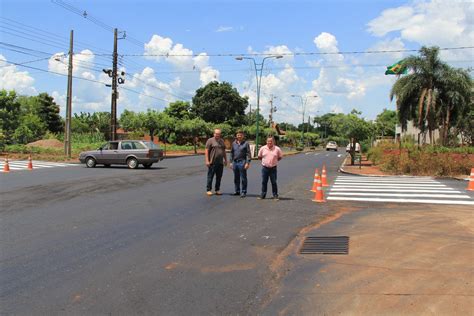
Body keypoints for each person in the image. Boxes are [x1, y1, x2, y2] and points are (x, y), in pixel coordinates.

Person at [205, 128, 228, 196]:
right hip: (212, 162)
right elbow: (206, 151)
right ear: (214, 134)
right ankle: (208, 190)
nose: (217, 135)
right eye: (216, 133)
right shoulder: (210, 140)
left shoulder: (222, 141)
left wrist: (226, 160)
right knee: (210, 176)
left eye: (219, 134)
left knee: (219, 177)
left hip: (220, 162)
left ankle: (217, 189)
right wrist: (207, 160)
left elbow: (223, 151)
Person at [230, 130, 251, 198]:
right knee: (236, 178)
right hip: (235, 162)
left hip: (242, 162)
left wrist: (247, 163)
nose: (239, 136)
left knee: (243, 178)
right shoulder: (234, 143)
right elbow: (231, 153)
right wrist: (230, 162)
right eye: (238, 135)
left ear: (243, 136)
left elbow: (248, 154)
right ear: (236, 136)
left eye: (241, 135)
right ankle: (237, 191)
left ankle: (243, 191)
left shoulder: (246, 143)